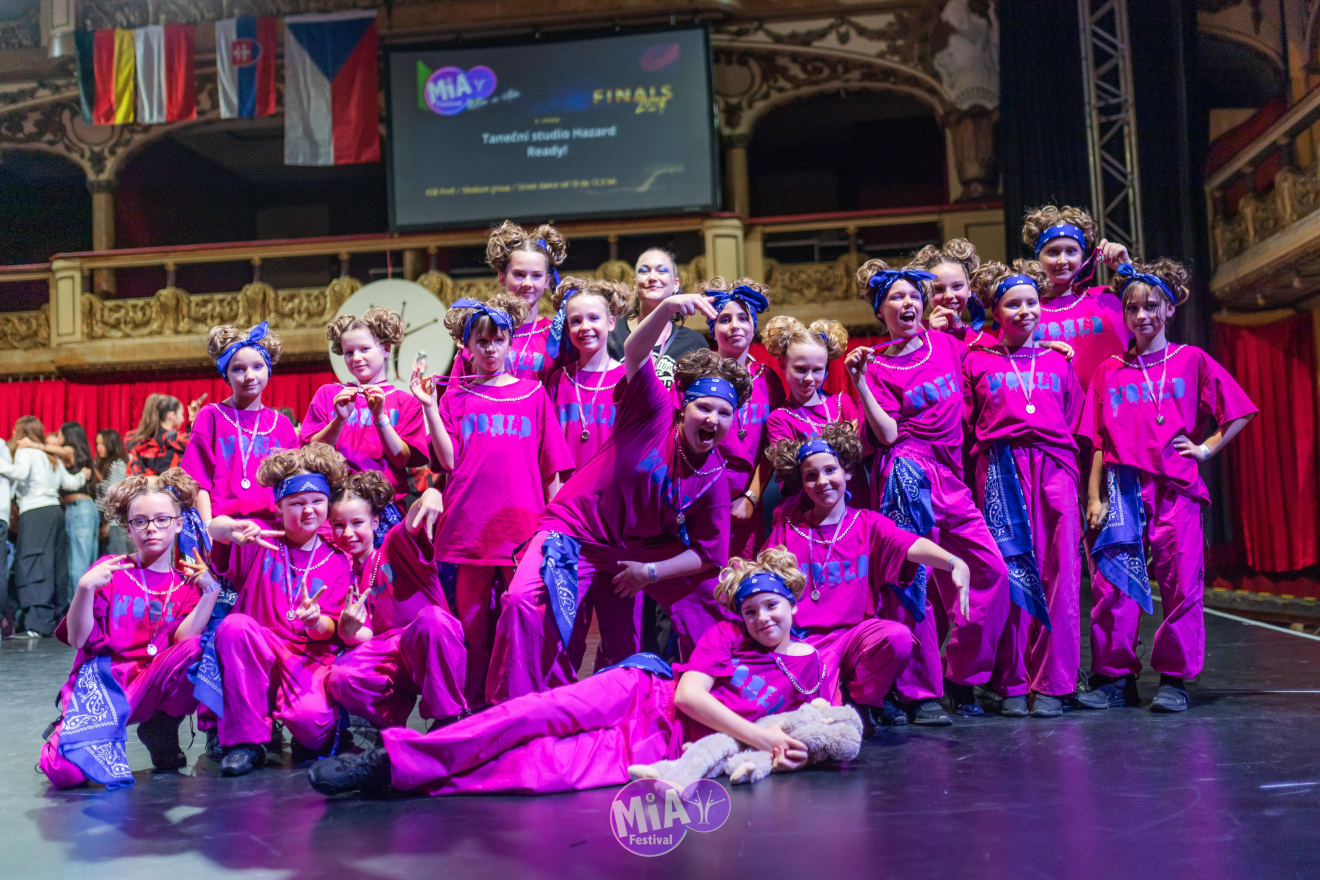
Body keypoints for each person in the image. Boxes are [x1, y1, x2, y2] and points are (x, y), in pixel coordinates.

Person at [305, 547, 863, 798]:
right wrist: (763, 738)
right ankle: (388, 759)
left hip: (661, 746)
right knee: (529, 714)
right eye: (751, 609)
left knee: (540, 772)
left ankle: (405, 780)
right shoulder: (728, 636)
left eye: (771, 606)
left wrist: (787, 754)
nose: (762, 618)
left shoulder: (815, 666)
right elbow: (691, 697)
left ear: (794, 604)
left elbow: (822, 731)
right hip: (643, 694)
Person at [483, 292, 748, 704]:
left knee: (709, 599)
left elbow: (707, 554)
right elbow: (635, 352)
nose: (713, 418)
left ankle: (712, 700)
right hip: (576, 529)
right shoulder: (653, 411)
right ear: (683, 407)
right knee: (524, 602)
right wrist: (666, 308)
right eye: (703, 408)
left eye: (724, 412)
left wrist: (651, 572)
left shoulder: (713, 474)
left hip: (636, 548)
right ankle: (517, 711)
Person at [1078, 259, 1257, 713]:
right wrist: (1094, 496)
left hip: (1175, 487)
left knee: (1180, 582)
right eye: (1132, 308)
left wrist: (1206, 449)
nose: (1141, 315)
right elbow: (1098, 441)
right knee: (1113, 585)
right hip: (1121, 485)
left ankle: (1174, 679)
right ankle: (1116, 678)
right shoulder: (1109, 370)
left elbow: (1238, 411)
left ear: (1169, 308)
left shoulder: (1191, 360)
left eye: (1151, 306)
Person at [845, 259, 1010, 724]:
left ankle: (961, 674)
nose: (906, 303)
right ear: (880, 311)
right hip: (906, 471)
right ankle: (918, 693)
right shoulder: (876, 365)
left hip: (950, 476)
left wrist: (1049, 345)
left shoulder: (947, 344)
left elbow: (994, 356)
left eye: (912, 295)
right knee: (912, 584)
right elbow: (886, 434)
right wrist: (860, 384)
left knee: (991, 571)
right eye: (894, 298)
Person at [413, 291, 574, 705]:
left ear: (509, 342)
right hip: (469, 526)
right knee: (471, 630)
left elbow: (551, 467)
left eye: (498, 340)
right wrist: (429, 407)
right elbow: (447, 461)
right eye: (481, 341)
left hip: (522, 527)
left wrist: (555, 528)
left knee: (524, 621)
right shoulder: (454, 397)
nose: (490, 349)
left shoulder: (532, 394)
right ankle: (473, 710)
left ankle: (523, 703)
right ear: (466, 346)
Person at [765, 422, 969, 724]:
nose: (822, 481)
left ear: (847, 471)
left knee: (897, 638)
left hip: (857, 637)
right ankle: (839, 700)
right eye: (811, 476)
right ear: (803, 484)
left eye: (830, 470)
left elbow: (910, 545)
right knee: (817, 718)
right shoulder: (789, 528)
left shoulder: (866, 523)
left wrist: (954, 562)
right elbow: (764, 578)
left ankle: (863, 701)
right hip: (808, 641)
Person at [37, 469, 222, 789]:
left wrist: (211, 592)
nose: (152, 528)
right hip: (107, 682)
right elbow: (78, 639)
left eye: (162, 519)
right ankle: (68, 735)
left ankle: (162, 726)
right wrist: (84, 589)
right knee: (65, 774)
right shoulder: (111, 571)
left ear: (179, 523)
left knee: (200, 649)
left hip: (152, 681)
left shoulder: (185, 582)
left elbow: (184, 642)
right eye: (141, 521)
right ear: (128, 527)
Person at [965, 260, 1084, 718]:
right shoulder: (976, 360)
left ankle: (1054, 682)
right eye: (1013, 304)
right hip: (1001, 467)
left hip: (1055, 467)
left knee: (1061, 573)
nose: (1025, 311)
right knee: (1010, 569)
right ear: (995, 312)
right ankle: (1011, 681)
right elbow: (966, 420)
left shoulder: (1059, 360)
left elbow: (1072, 417)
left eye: (1032, 302)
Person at [206, 444, 356, 776]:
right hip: (256, 650)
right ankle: (246, 742)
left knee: (313, 728)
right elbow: (215, 529)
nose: (308, 510)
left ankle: (300, 720)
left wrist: (315, 621)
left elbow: (331, 629)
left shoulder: (338, 559)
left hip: (306, 656)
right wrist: (227, 529)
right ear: (279, 506)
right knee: (234, 626)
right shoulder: (258, 539)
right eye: (297, 503)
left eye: (317, 501)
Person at [326, 472, 468, 730]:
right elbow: (360, 637)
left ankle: (447, 720)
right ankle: (390, 731)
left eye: (357, 522)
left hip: (429, 644)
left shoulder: (394, 546)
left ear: (375, 521)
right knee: (341, 675)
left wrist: (429, 494)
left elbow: (412, 521)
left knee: (433, 620)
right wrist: (347, 630)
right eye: (338, 524)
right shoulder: (340, 573)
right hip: (386, 655)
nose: (347, 533)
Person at [302, 309, 429, 503]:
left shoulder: (406, 402)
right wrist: (339, 420)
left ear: (386, 349)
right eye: (349, 352)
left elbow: (400, 459)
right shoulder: (329, 394)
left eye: (364, 349)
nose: (356, 358)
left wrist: (380, 418)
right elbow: (312, 454)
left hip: (386, 505)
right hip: (336, 503)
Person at [183, 323, 300, 522]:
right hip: (223, 527)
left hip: (273, 527)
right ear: (226, 375)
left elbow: (293, 483)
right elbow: (197, 480)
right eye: (238, 369)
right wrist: (208, 527)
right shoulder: (210, 416)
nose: (249, 376)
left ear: (268, 370)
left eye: (257, 366)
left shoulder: (281, 424)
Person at [705, 277, 785, 558]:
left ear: (754, 327)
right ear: (713, 328)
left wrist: (752, 497)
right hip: (703, 498)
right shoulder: (697, 375)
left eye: (743, 318)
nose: (735, 326)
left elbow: (773, 448)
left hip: (747, 504)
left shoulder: (768, 379)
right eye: (724, 319)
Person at [1019, 206, 1132, 393]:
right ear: (1038, 257)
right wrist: (1036, 346)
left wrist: (1129, 269)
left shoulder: (1108, 299)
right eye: (1053, 252)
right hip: (1049, 410)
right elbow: (1005, 359)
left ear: (1082, 257)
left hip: (1109, 408)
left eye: (1071, 251)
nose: (1062, 261)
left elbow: (1172, 299)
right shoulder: (1023, 310)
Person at [762, 316, 869, 509]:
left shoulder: (842, 403)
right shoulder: (779, 418)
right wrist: (844, 439)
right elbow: (790, 470)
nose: (809, 378)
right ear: (783, 365)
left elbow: (865, 450)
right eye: (800, 369)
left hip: (854, 507)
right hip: (807, 512)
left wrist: (804, 452)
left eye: (817, 370)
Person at [0, 416, 89, 637]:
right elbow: (70, 483)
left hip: (35, 512)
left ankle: (39, 623)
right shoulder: (51, 456)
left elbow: (19, 473)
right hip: (55, 513)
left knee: (34, 563)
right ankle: (57, 618)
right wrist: (83, 475)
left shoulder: (26, 452)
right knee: (55, 564)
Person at [447, 221, 568, 383]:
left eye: (536, 275)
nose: (527, 283)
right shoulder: (479, 333)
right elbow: (455, 394)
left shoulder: (557, 336)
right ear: (502, 277)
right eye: (519, 274)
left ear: (547, 281)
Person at [544, 276, 635, 466]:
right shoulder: (558, 380)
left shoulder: (627, 378)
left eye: (594, 318)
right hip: (568, 483)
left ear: (610, 323)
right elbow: (551, 445)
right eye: (576, 321)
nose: (585, 327)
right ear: (567, 330)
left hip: (611, 481)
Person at [607, 247, 708, 389]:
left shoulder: (694, 342)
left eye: (661, 271)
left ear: (675, 284)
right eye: (644, 271)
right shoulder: (613, 334)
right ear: (635, 284)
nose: (652, 277)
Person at [26, 422, 99, 589]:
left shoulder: (70, 451)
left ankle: (77, 603)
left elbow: (64, 452)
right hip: (87, 508)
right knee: (88, 559)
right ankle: (89, 601)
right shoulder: (83, 454)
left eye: (59, 434)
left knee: (77, 562)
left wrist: (35, 445)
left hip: (78, 508)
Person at [908, 239, 997, 347]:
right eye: (938, 289)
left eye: (957, 286)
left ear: (969, 289)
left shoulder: (985, 342)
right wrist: (933, 336)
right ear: (927, 292)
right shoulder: (911, 335)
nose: (949, 295)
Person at [128, 394, 203, 476]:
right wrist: (195, 419)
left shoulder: (145, 438)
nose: (183, 419)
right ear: (172, 416)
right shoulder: (171, 437)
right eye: (181, 414)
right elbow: (197, 442)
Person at [93, 429, 130, 555]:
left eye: (102, 444)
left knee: (118, 560)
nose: (99, 447)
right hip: (104, 522)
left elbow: (116, 496)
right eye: (97, 444)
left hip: (115, 523)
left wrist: (108, 522)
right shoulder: (102, 465)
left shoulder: (117, 465)